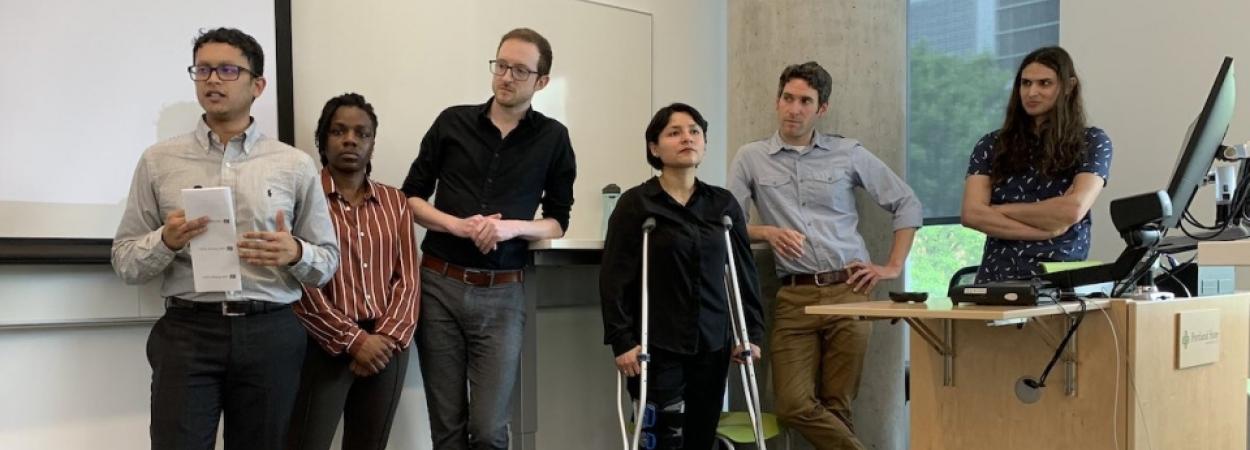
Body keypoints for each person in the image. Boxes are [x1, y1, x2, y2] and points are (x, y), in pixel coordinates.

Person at [111, 27, 339, 450]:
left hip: (270, 331)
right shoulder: (159, 161)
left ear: (258, 85)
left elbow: (327, 262)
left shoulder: (293, 164)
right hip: (187, 332)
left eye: (227, 70)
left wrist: (295, 253)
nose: (212, 80)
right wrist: (168, 240)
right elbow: (125, 260)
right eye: (203, 70)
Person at [728, 61, 923, 450]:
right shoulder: (751, 157)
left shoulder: (848, 153)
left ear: (822, 109)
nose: (794, 109)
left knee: (837, 405)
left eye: (805, 101)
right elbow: (724, 222)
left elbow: (907, 203)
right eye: (787, 98)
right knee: (792, 404)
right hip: (793, 298)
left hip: (849, 291)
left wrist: (892, 266)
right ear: (776, 100)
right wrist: (765, 231)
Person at [400, 27, 576, 449]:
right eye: (501, 65)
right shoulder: (452, 122)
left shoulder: (553, 138)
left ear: (542, 81)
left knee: (489, 429)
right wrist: (458, 225)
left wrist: (510, 227)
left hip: (502, 294)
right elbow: (410, 198)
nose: (506, 77)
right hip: (439, 285)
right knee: (446, 427)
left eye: (520, 70)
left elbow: (557, 221)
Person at [600, 103, 765, 450]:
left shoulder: (723, 205)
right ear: (654, 148)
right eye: (674, 132)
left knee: (700, 438)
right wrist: (622, 339)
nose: (686, 138)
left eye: (694, 131)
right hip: (656, 344)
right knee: (662, 439)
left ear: (704, 142)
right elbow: (615, 278)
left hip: (712, 342)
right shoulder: (636, 205)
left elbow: (743, 273)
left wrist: (750, 334)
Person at [286, 93, 420, 450]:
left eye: (362, 133)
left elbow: (408, 279)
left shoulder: (396, 203)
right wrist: (354, 341)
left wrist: (385, 339)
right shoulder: (302, 198)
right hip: (324, 346)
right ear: (322, 140)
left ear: (372, 144)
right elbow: (300, 283)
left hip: (387, 349)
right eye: (338, 131)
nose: (350, 140)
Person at [960, 46, 1112, 283]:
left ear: (1069, 86)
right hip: (997, 280)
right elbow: (971, 214)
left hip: (1061, 282)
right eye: (1025, 83)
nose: (1032, 92)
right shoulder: (991, 144)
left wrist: (998, 209)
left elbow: (1072, 210)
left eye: (1044, 83)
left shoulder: (1091, 142)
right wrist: (1047, 230)